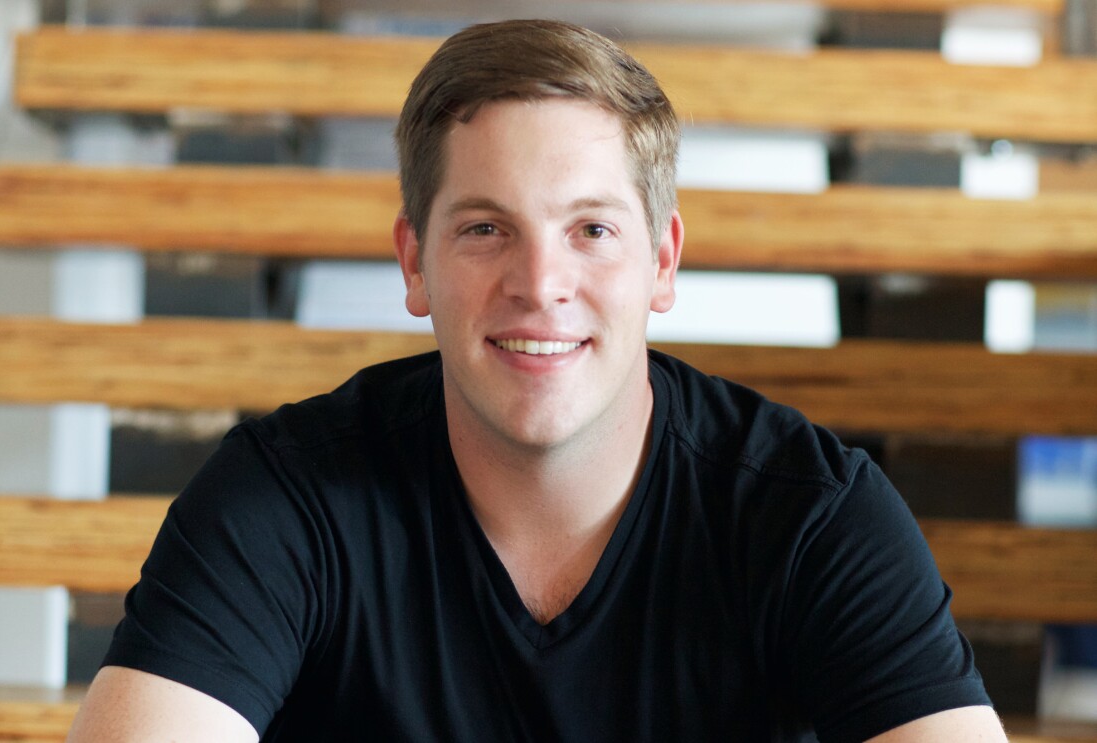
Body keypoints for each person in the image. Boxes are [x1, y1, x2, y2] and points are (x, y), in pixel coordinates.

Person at [67, 18, 1008, 742]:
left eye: (590, 229)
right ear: (414, 260)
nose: (538, 285)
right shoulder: (286, 497)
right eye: (484, 227)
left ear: (662, 262)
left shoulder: (808, 513)